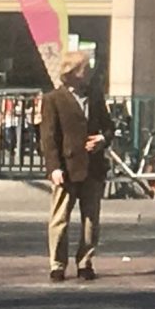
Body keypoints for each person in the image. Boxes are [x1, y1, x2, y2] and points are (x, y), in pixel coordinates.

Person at [37, 49, 110, 282]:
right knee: (60, 218)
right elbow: (48, 137)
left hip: (93, 167)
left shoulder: (95, 96)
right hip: (67, 168)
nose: (89, 73)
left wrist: (103, 139)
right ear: (73, 73)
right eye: (85, 69)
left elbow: (109, 126)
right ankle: (57, 264)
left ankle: (85, 262)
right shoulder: (53, 99)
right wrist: (54, 167)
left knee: (91, 219)